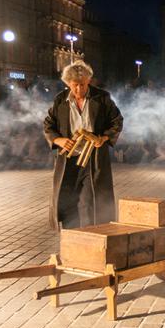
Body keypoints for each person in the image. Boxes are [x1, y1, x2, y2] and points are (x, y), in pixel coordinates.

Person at [43, 60, 123, 231]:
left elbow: (117, 121)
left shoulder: (102, 98)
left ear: (89, 81)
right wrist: (59, 140)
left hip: (93, 158)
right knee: (68, 196)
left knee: (89, 199)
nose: (78, 90)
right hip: (68, 157)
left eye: (82, 85)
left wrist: (104, 137)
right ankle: (72, 235)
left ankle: (92, 233)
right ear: (68, 84)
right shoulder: (60, 100)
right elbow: (48, 125)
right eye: (74, 86)